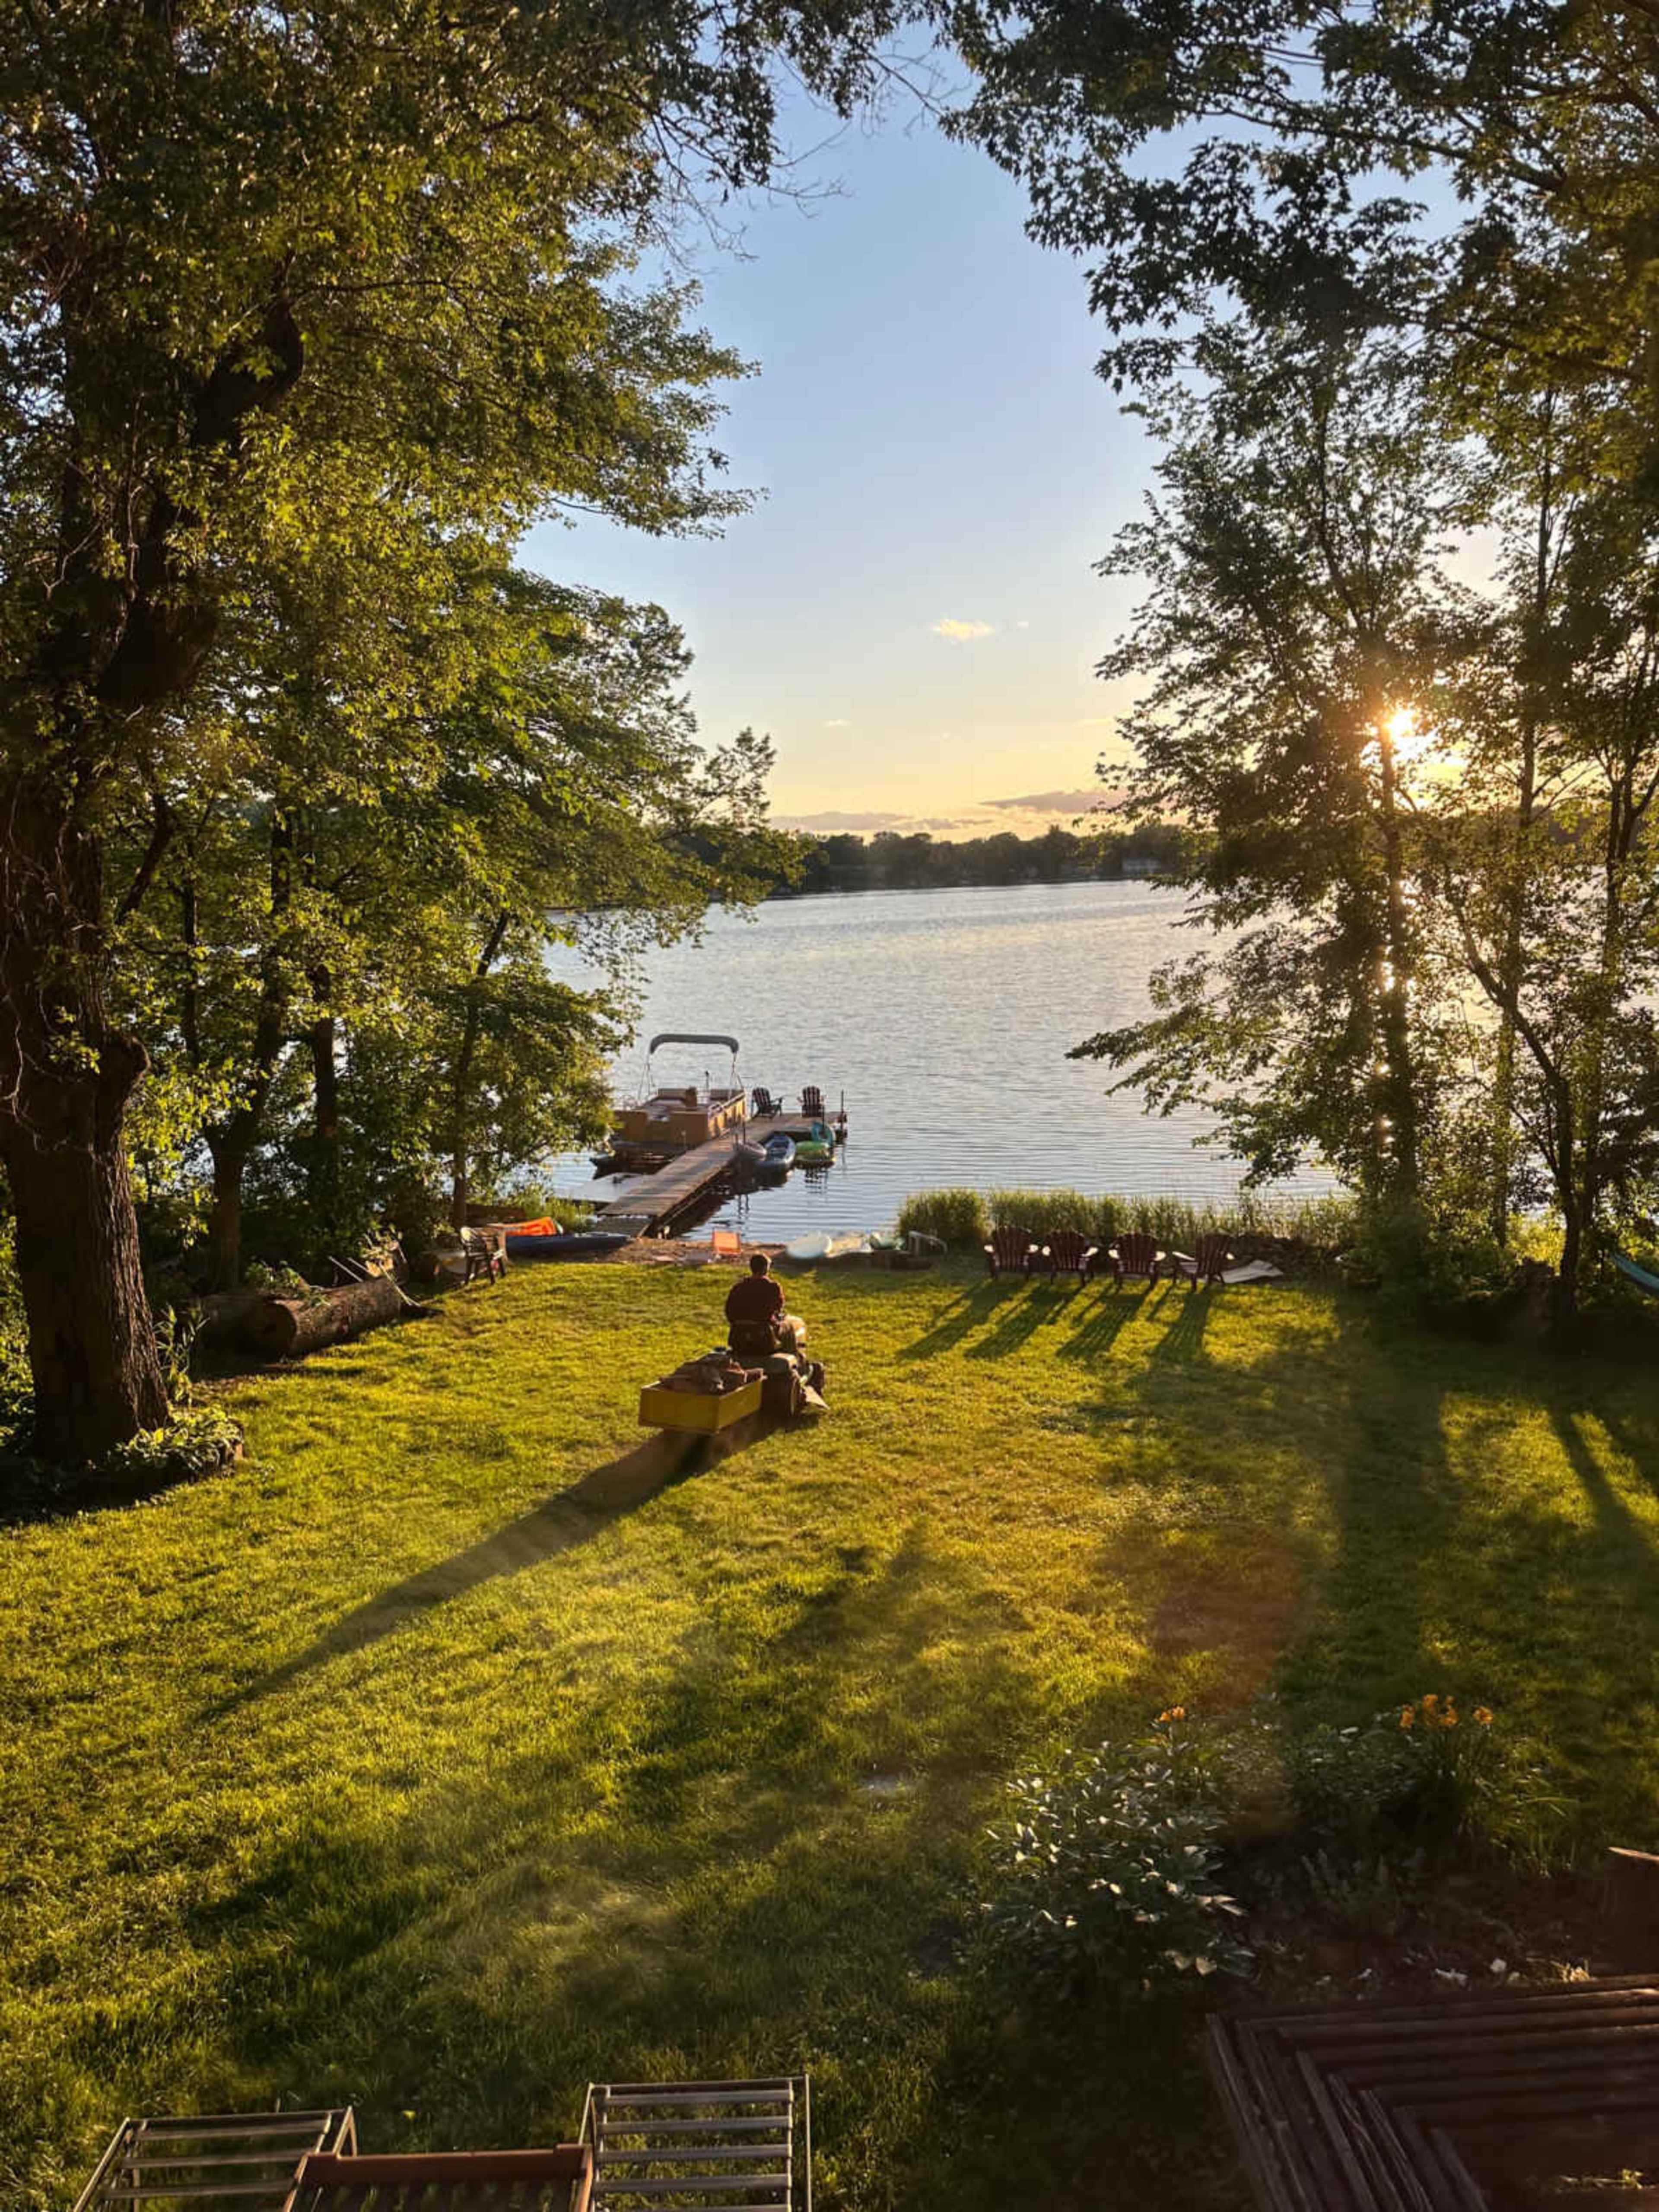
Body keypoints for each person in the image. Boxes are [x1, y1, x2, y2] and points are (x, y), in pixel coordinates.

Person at [724, 1251, 804, 1361]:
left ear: (751, 1268)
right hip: (764, 1336)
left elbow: (729, 1312)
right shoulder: (772, 1287)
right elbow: (779, 1307)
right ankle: (796, 1361)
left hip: (739, 1337)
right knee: (790, 1326)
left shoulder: (738, 1288)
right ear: (766, 1269)